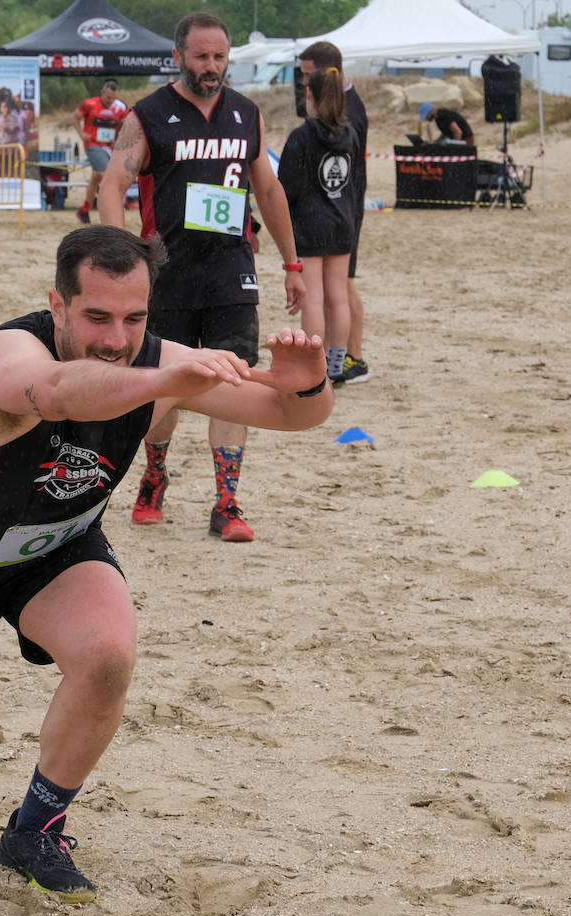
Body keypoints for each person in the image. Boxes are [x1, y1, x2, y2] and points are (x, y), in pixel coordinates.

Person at [0, 226, 332, 903]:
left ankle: (34, 830)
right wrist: (165, 380)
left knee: (107, 658)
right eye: (97, 316)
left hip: (53, 545)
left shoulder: (159, 363)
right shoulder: (11, 353)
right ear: (57, 305)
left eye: (134, 318)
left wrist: (307, 382)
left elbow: (293, 415)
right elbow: (60, 391)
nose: (117, 338)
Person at [97, 12, 307, 542]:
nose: (211, 67)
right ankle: (154, 476)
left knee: (234, 380)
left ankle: (227, 501)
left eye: (219, 57)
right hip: (165, 274)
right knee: (163, 386)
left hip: (231, 271)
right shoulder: (148, 115)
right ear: (178, 57)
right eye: (201, 57)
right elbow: (111, 186)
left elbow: (269, 192)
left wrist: (292, 264)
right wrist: (123, 262)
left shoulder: (246, 114)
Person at [279, 68, 359, 385]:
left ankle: (316, 366)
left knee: (313, 299)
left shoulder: (301, 137)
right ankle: (337, 363)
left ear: (310, 95)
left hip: (311, 224)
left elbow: (286, 188)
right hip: (342, 221)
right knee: (338, 297)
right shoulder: (350, 135)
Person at [300, 41, 371, 386]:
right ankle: (335, 358)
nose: (303, 82)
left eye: (306, 75)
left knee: (337, 289)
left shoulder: (347, 112)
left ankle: (350, 357)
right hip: (339, 210)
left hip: (335, 211)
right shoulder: (344, 116)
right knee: (335, 292)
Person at [72, 80, 127, 225]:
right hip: (93, 145)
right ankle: (111, 210)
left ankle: (84, 210)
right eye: (108, 97)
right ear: (102, 93)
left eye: (113, 98)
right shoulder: (90, 104)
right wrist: (81, 133)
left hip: (109, 147)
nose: (110, 101)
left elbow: (125, 123)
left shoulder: (119, 108)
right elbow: (75, 117)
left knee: (96, 177)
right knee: (105, 177)